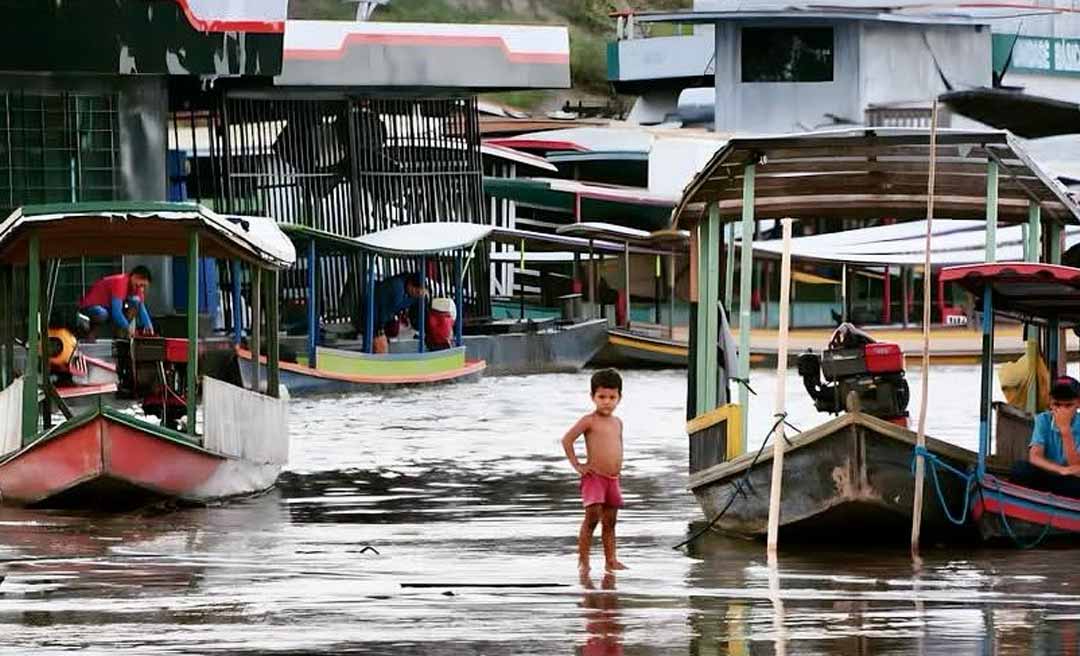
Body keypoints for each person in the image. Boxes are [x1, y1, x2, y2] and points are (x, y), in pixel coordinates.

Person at [561, 368, 627, 573]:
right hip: (594, 477)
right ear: (593, 397)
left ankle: (611, 559)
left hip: (613, 479)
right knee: (592, 519)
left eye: (612, 397)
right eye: (601, 397)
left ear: (619, 398)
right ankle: (584, 561)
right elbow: (567, 439)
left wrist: (619, 470)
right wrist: (578, 465)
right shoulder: (589, 420)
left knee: (611, 521)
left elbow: (618, 446)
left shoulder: (618, 422)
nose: (607, 401)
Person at [1011, 375, 1080, 498]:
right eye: (1057, 405)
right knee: (1020, 469)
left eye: (1068, 405)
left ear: (1078, 403)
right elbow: (1035, 456)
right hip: (1051, 474)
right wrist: (1060, 470)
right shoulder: (1043, 419)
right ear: (1050, 402)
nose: (1062, 410)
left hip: (1073, 481)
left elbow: (1076, 466)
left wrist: (1065, 431)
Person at [77, 266, 155, 337]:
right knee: (102, 314)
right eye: (141, 285)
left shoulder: (137, 287)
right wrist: (129, 329)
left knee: (135, 303)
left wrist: (149, 327)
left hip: (108, 308)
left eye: (144, 286)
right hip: (90, 307)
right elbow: (116, 313)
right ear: (135, 277)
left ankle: (121, 335)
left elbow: (141, 308)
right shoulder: (121, 282)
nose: (142, 289)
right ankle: (90, 330)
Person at [370, 272, 426, 352]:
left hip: (379, 317)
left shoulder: (403, 286)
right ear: (410, 284)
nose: (415, 295)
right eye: (416, 292)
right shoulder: (397, 288)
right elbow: (391, 307)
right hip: (373, 316)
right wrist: (379, 332)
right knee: (381, 349)